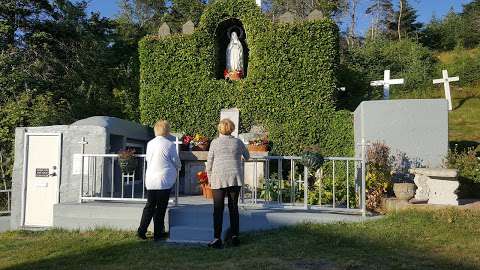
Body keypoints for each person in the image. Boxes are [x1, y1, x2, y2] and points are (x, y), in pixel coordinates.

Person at [206, 119, 250, 248]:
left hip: (218, 178)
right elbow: (247, 156)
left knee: (218, 209)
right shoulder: (238, 142)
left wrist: (209, 178)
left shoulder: (215, 142)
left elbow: (209, 163)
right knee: (233, 208)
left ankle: (217, 238)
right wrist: (237, 158)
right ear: (232, 128)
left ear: (220, 129)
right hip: (234, 177)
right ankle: (235, 236)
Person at [137, 120, 181, 241]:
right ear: (167, 130)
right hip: (164, 179)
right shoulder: (170, 144)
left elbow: (148, 159)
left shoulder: (150, 143)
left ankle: (141, 230)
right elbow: (176, 161)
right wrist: (179, 167)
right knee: (161, 208)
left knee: (149, 206)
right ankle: (158, 234)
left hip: (151, 179)